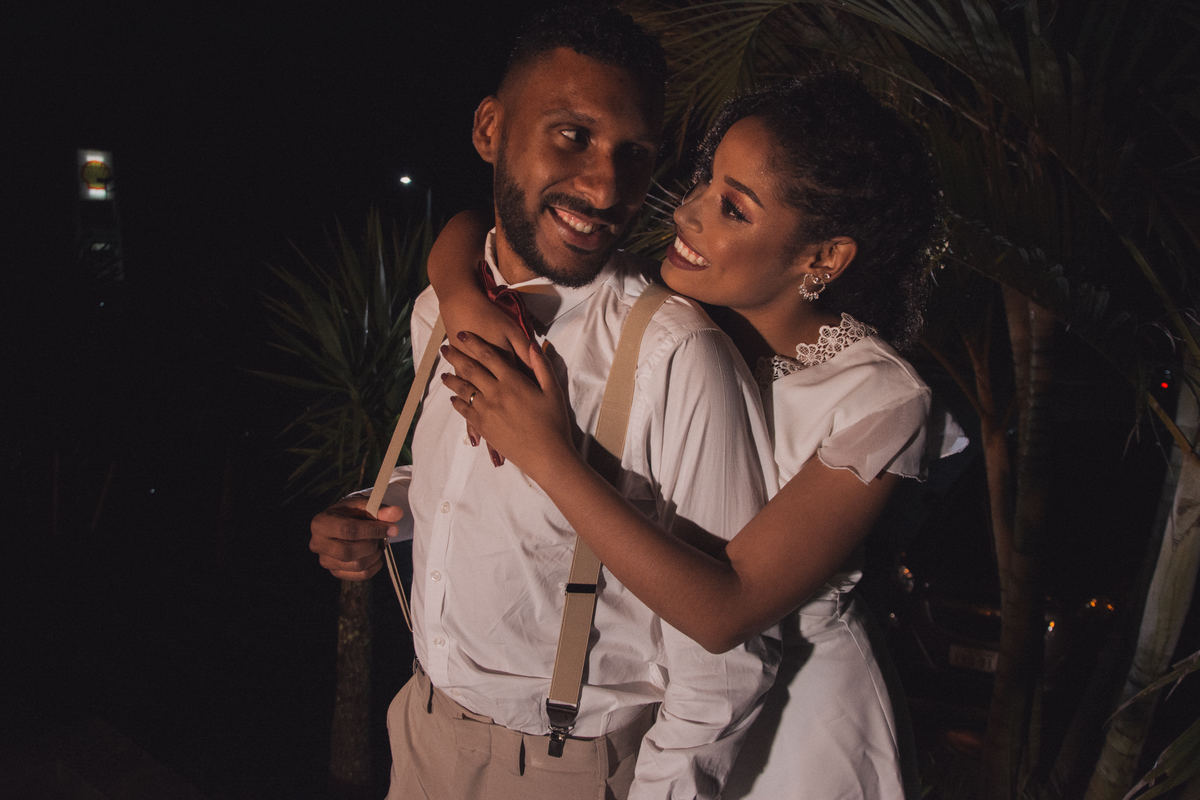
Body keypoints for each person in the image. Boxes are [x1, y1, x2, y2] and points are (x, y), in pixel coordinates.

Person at [435, 73, 967, 799]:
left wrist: (546, 455)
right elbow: (474, 227)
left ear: (822, 258)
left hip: (796, 727)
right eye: (704, 182)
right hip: (662, 705)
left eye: (732, 208)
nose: (685, 213)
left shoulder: (878, 400)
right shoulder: (678, 319)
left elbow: (727, 611)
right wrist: (458, 291)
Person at [308, 6, 779, 800]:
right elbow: (461, 488)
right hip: (421, 729)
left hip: (569, 766)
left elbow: (727, 664)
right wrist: (379, 509)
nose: (605, 186)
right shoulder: (438, 311)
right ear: (490, 129)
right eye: (573, 135)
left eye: (635, 154)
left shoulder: (677, 357)